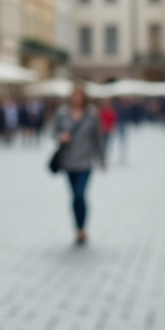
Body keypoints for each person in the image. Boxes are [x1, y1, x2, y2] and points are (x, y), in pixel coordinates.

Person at [52, 83, 106, 245]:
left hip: (85, 161)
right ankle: (78, 229)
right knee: (74, 197)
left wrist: (102, 159)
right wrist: (61, 136)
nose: (77, 98)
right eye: (74, 95)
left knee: (80, 194)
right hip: (68, 161)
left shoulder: (91, 115)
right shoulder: (62, 114)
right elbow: (53, 132)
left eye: (80, 95)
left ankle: (82, 228)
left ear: (84, 98)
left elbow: (98, 138)